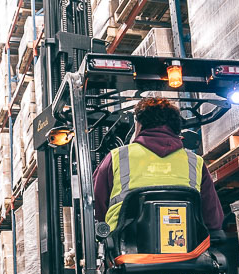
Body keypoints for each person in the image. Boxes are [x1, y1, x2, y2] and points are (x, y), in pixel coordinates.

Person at [91, 97, 224, 239]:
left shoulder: (117, 157)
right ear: (176, 128)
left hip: (125, 249)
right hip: (186, 249)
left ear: (139, 125)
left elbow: (95, 206)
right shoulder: (195, 162)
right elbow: (213, 217)